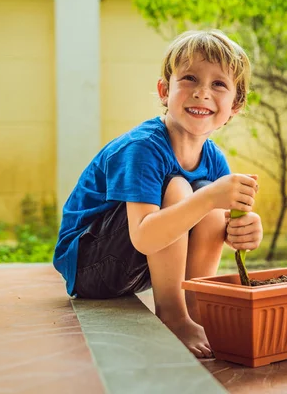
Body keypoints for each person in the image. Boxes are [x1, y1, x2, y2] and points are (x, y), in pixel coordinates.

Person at [53, 30, 263, 359]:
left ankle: (195, 307)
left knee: (207, 196)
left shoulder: (213, 159)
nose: (202, 93)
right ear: (165, 91)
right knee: (185, 189)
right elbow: (145, 239)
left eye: (218, 84)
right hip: (90, 267)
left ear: (235, 104)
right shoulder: (143, 147)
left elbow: (216, 220)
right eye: (190, 78)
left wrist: (245, 226)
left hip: (136, 269)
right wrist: (209, 199)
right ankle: (174, 315)